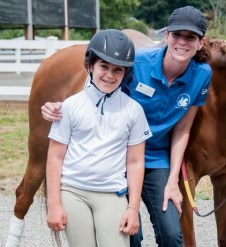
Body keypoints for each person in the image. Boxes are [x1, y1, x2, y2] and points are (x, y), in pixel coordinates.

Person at [42, 6, 212, 247]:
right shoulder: (138, 63)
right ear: (166, 37)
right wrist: (63, 107)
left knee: (172, 234)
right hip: (117, 155)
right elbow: (99, 91)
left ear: (200, 43)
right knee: (131, 234)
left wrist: (173, 180)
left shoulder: (202, 74)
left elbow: (183, 129)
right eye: (177, 35)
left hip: (154, 159)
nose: (182, 42)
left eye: (191, 37)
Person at [45, 29, 152, 247]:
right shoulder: (70, 107)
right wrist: (54, 204)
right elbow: (55, 158)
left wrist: (132, 208)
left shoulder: (133, 110)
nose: (110, 75)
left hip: (111, 193)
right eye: (104, 66)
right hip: (73, 191)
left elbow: (135, 161)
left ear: (125, 73)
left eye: (118, 69)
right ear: (90, 66)